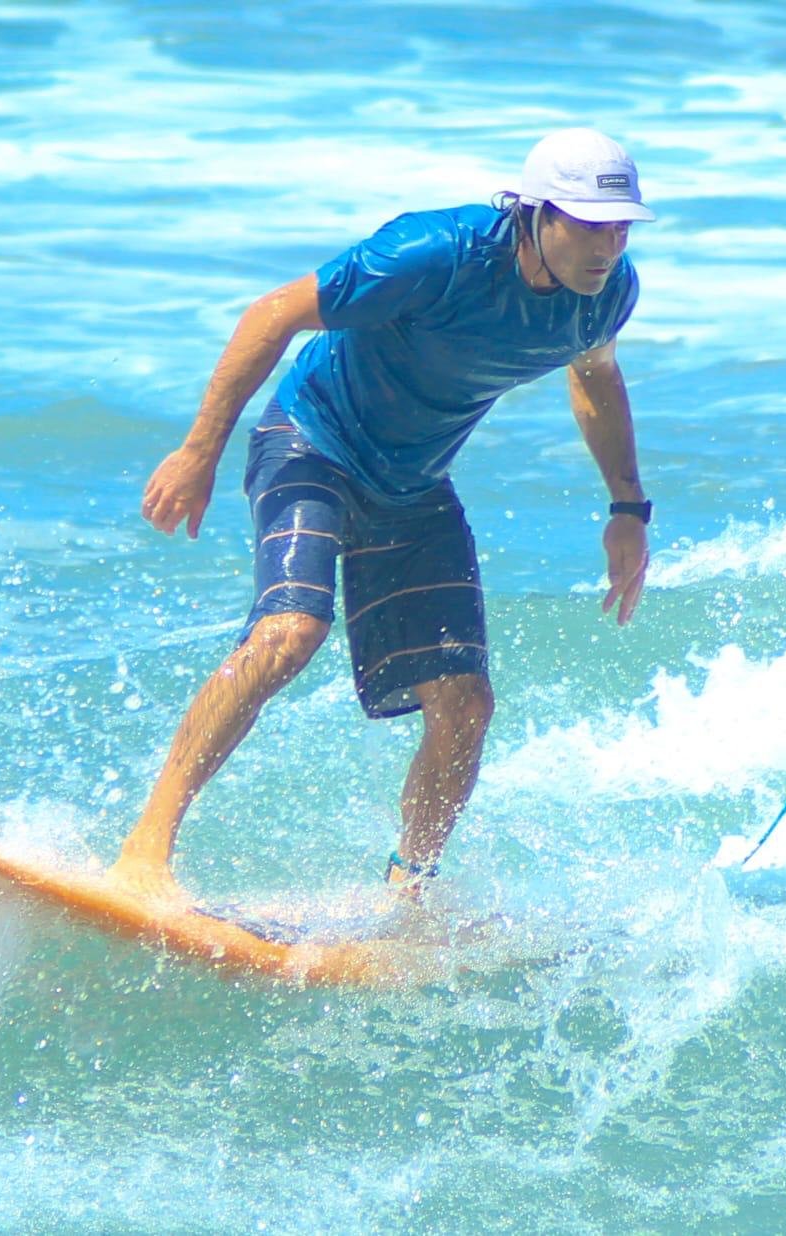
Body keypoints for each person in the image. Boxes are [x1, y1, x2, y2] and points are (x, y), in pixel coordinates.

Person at [109, 128, 655, 902]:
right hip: (312, 441)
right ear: (536, 214)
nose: (608, 246)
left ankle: (407, 892)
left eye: (622, 225)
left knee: (466, 703)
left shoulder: (606, 297)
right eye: (591, 225)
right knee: (290, 632)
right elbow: (274, 313)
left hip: (414, 483)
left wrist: (628, 509)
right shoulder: (432, 254)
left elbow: (595, 379)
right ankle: (144, 850)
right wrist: (199, 452)